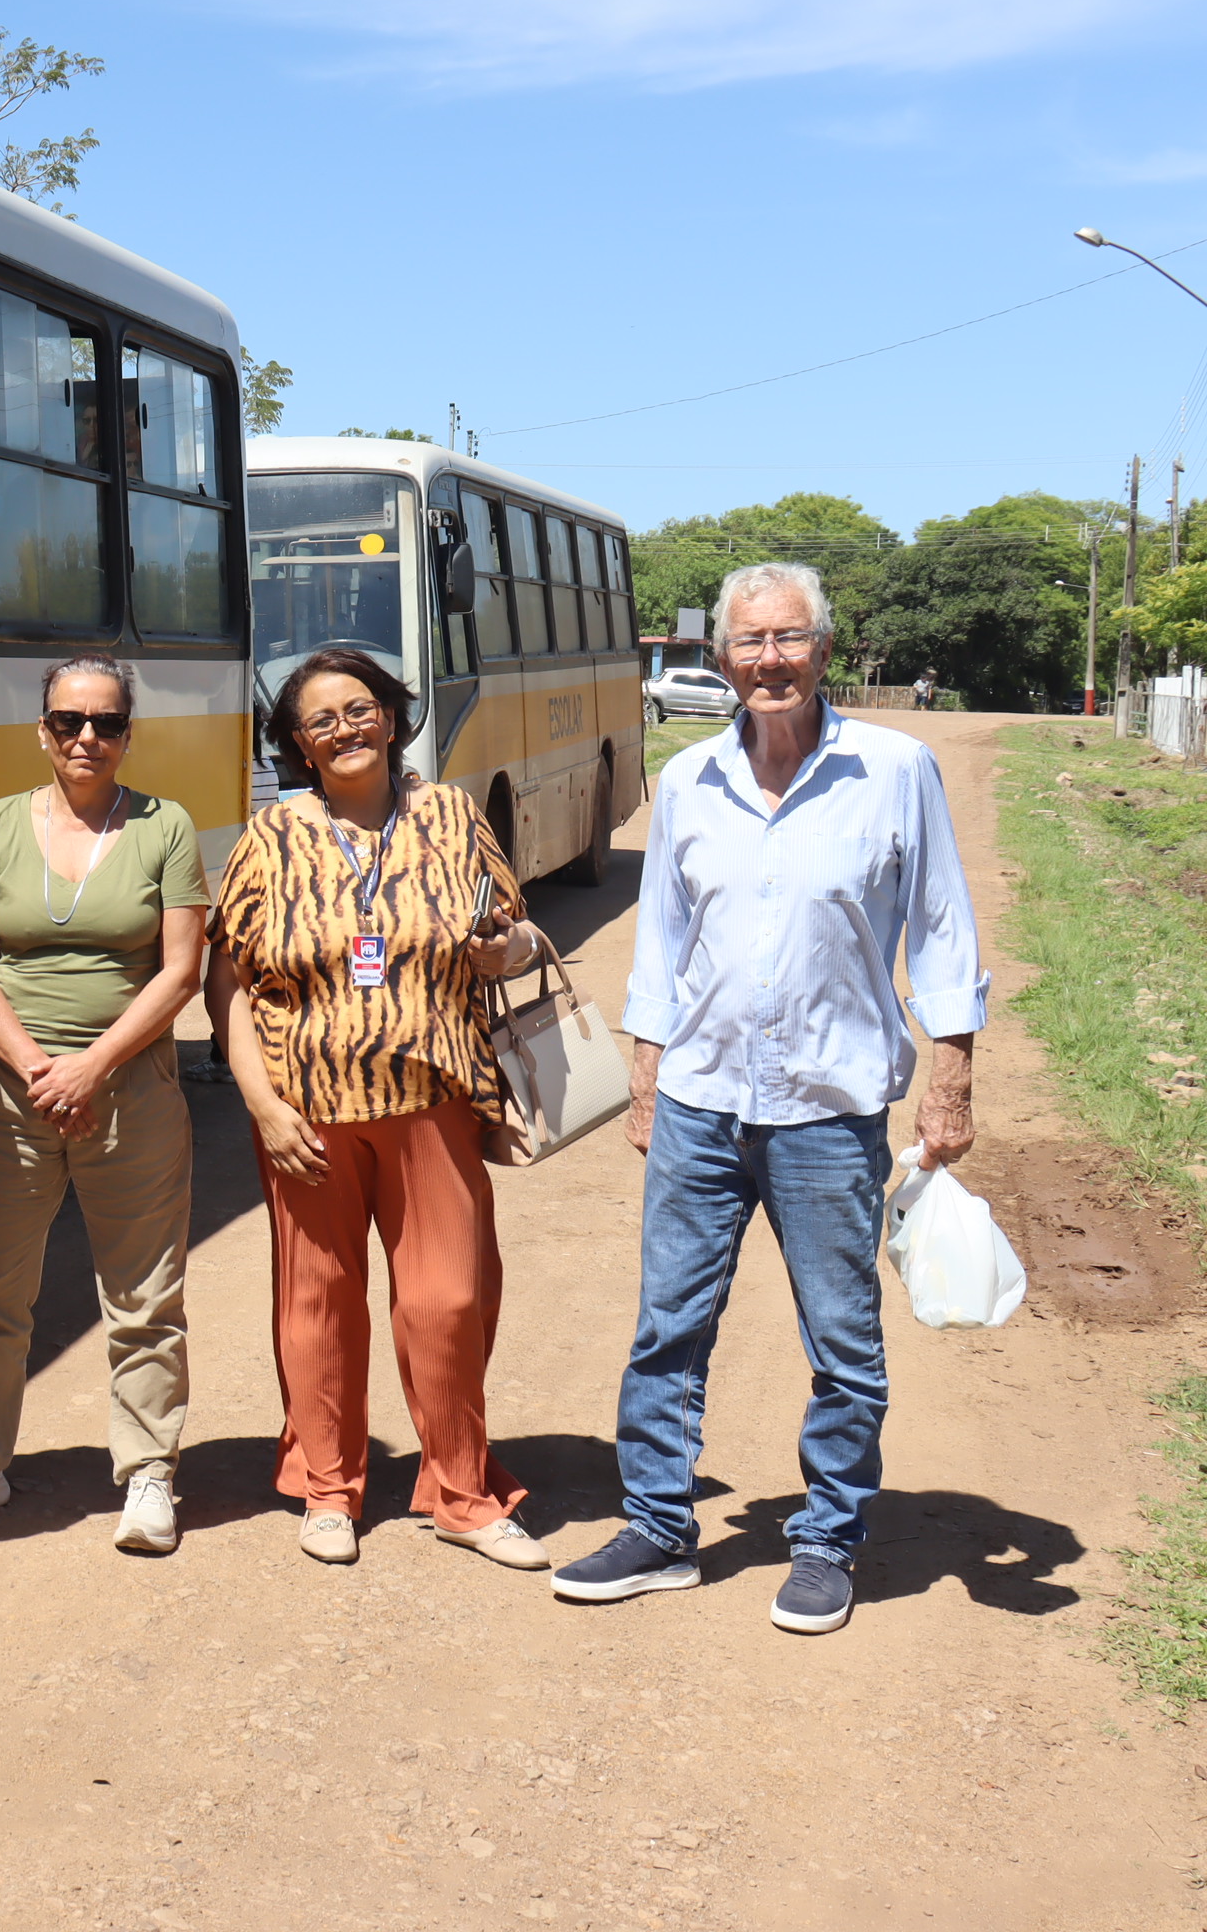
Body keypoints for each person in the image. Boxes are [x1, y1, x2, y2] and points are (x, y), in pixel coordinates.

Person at [553, 562, 984, 1635]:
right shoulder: (693, 779)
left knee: (843, 1338)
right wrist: (646, 1081)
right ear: (722, 656)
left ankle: (829, 1537)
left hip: (831, 1108)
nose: (770, 660)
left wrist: (952, 1077)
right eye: (750, 642)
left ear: (825, 647)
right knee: (668, 1326)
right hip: (701, 1097)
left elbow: (940, 928)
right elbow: (661, 941)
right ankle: (658, 1525)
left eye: (789, 639)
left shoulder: (894, 769)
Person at [208, 647, 553, 1571]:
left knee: (447, 1301)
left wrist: (504, 950)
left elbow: (515, 930)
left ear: (393, 717)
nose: (345, 729)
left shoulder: (449, 815)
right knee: (317, 1305)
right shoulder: (271, 839)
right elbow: (228, 981)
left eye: (359, 709)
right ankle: (328, 1488)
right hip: (304, 1114)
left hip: (432, 1102)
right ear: (296, 745)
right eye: (320, 721)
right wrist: (261, 1104)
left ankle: (463, 1492)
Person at [0, 656, 209, 1554]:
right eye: (69, 721)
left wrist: (94, 1068)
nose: (88, 738)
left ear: (129, 734)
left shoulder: (166, 826)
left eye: (107, 723)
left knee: (144, 1293)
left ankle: (149, 1474)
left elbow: (181, 968)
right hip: (12, 1094)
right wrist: (42, 1068)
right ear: (42, 730)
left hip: (133, 1093)